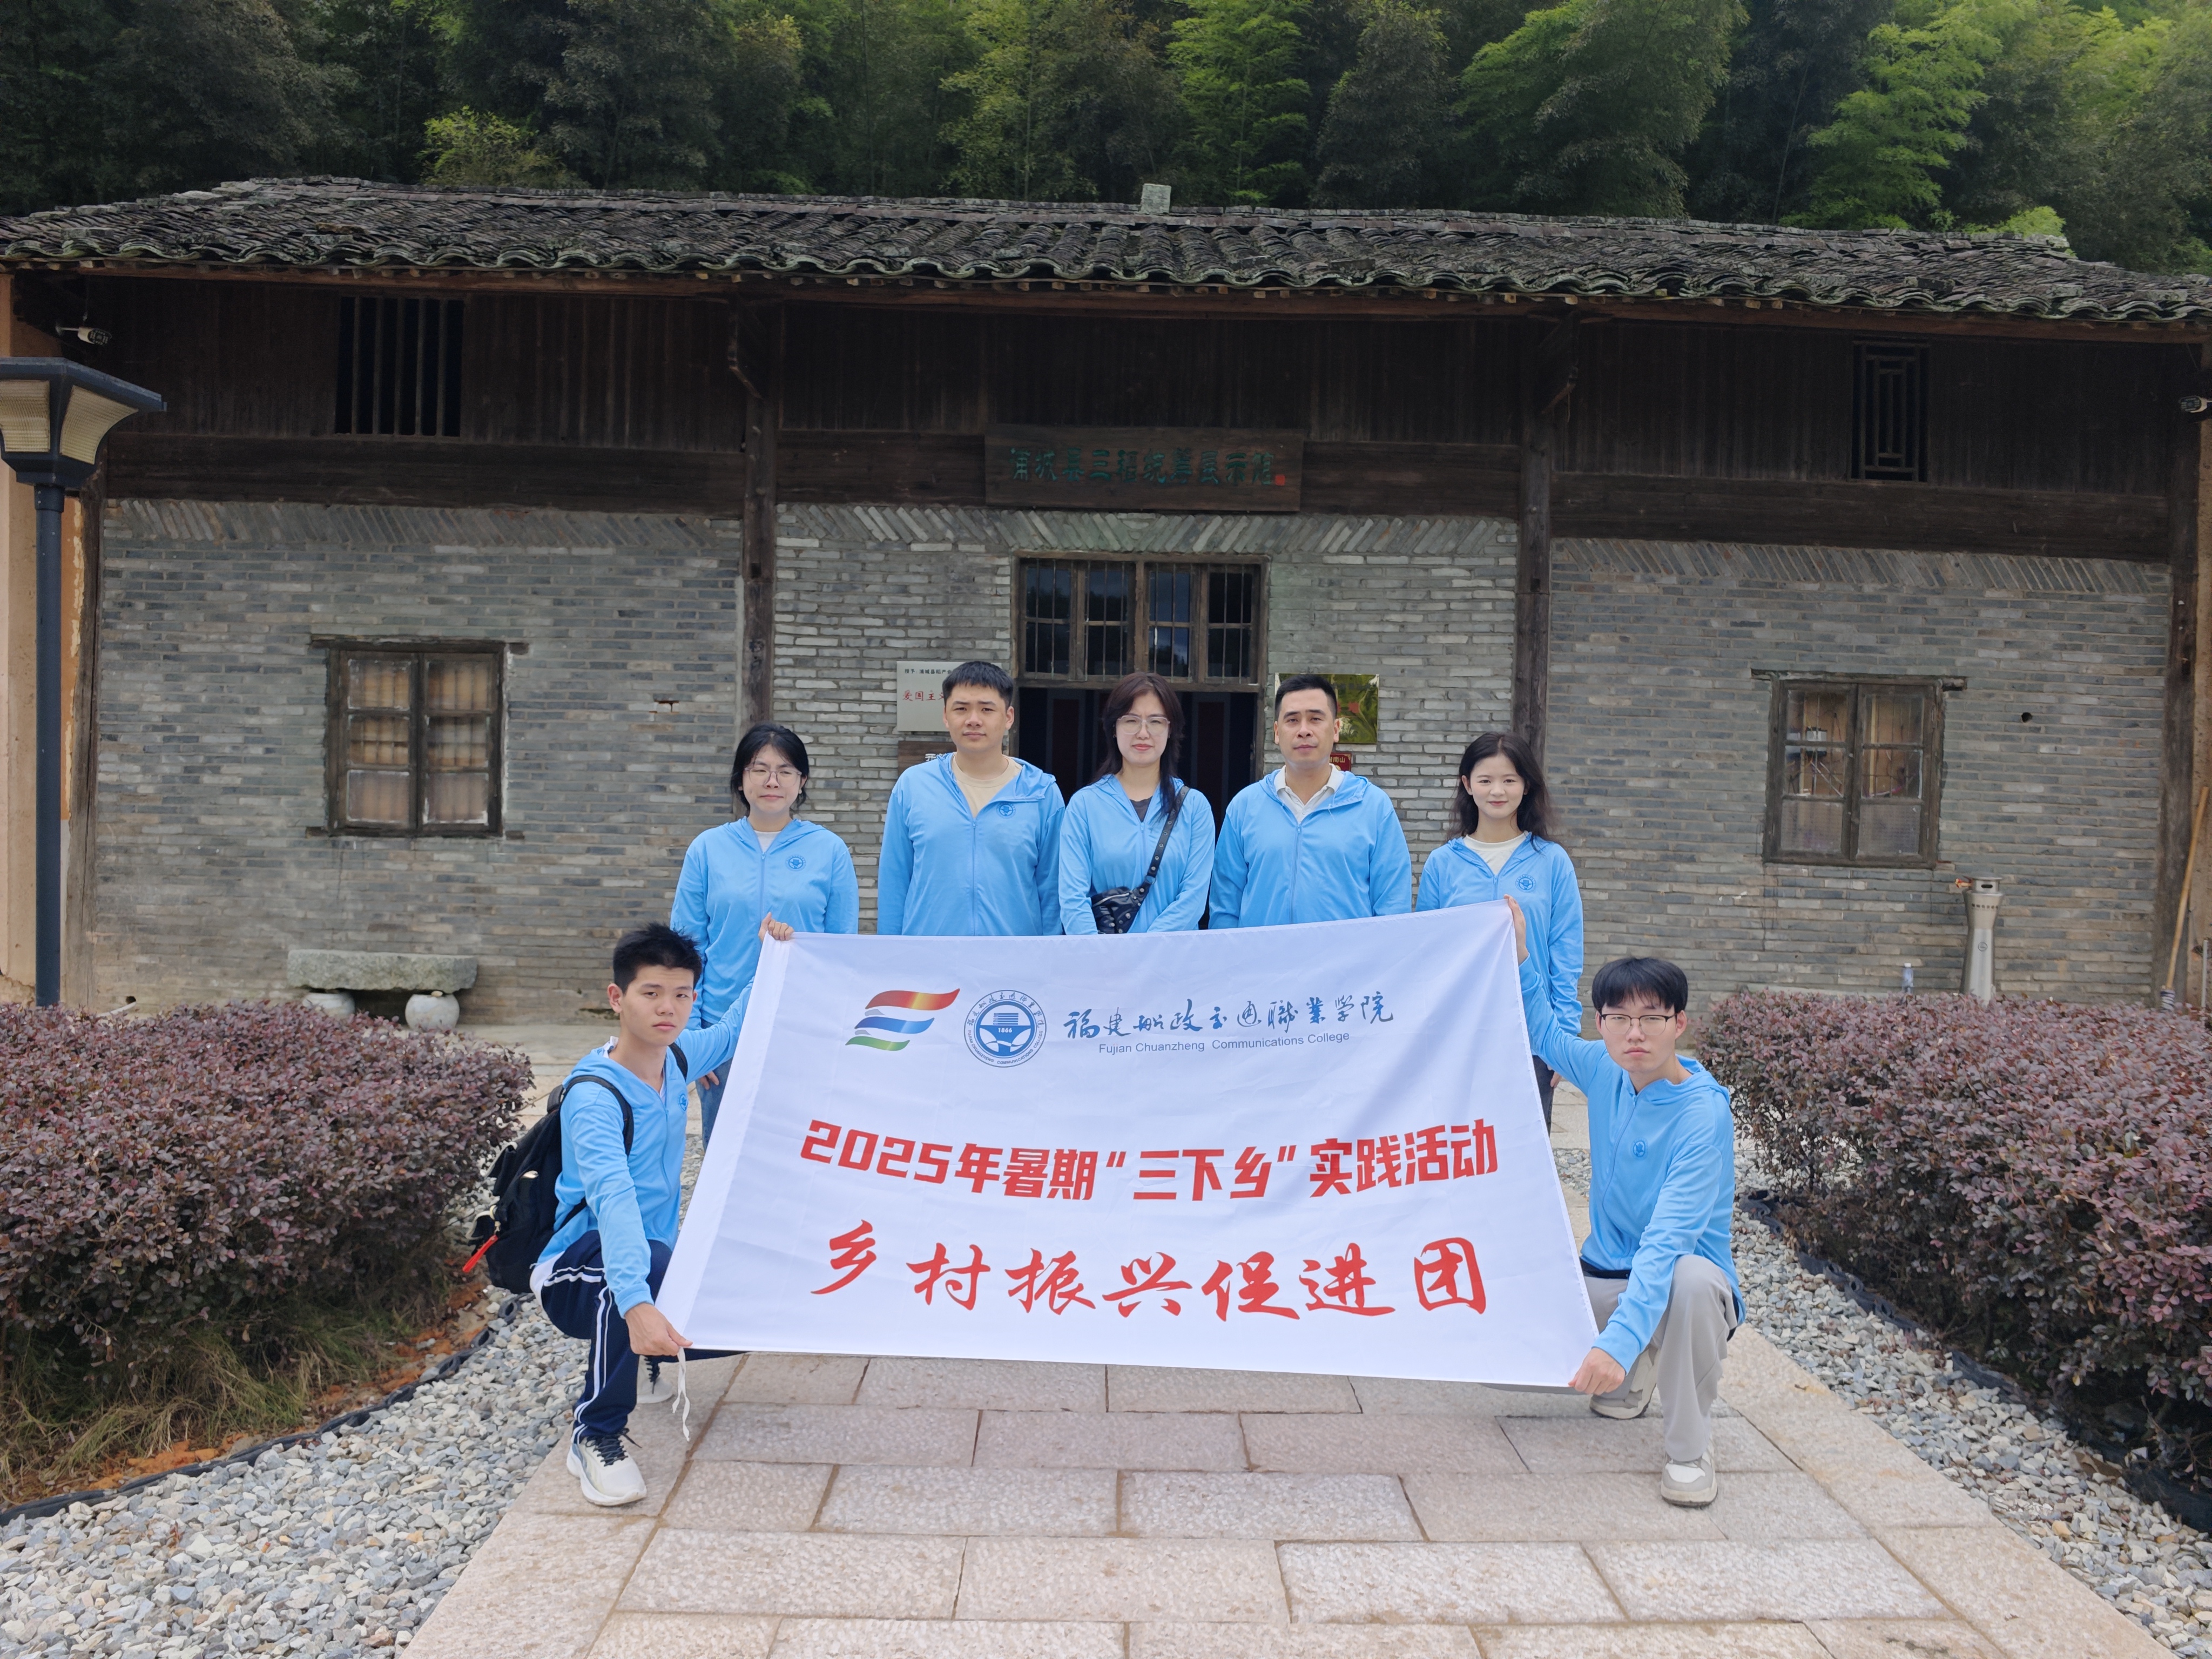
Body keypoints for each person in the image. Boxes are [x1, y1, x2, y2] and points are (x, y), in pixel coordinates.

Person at [534, 918, 791, 1507]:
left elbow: (734, 1030)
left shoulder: (675, 1058)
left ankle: (640, 1351)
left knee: (755, 1310)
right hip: (573, 1270)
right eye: (651, 993)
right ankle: (594, 1433)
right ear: (617, 998)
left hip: (649, 1260)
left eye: (681, 995)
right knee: (638, 1268)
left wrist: (771, 958)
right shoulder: (595, 1096)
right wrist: (639, 1305)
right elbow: (615, 1202)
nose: (667, 1008)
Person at [1506, 898, 1741, 1509]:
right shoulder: (1603, 1068)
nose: (1635, 1034)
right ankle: (1635, 1366)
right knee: (1498, 1352)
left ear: (1679, 1024)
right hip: (1607, 1275)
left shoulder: (1702, 1114)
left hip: (1681, 1282)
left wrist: (1615, 1341)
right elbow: (1543, 1034)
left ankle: (1689, 1451)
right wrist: (1522, 954)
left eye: (1651, 1018)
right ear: (1602, 1023)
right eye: (1619, 1018)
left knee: (1689, 1282)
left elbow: (1668, 1241)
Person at [671, 721, 858, 1143]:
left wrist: (834, 1029)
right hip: (723, 1024)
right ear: (741, 779)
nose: (772, 781)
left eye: (785, 770)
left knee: (796, 1145)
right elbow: (685, 948)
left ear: (801, 781)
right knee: (726, 1146)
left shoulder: (829, 850)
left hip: (801, 1022)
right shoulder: (707, 849)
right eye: (759, 769)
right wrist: (694, 1038)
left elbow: (841, 951)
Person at [1418, 732, 1583, 1129]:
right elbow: (1426, 955)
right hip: (1459, 1033)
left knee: (1525, 1148)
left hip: (1532, 1033)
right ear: (1467, 784)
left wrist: (1563, 1036)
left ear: (1526, 786)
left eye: (1509, 780)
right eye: (1486, 780)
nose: (1497, 791)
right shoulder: (1442, 864)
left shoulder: (1552, 861)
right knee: (1459, 1147)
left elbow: (1565, 954)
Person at [1210, 673, 1412, 928]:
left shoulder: (1373, 806)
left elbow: (1392, 906)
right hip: (1263, 954)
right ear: (1277, 732)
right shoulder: (1245, 807)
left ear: (1336, 729)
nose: (1304, 730)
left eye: (1316, 719)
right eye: (1292, 720)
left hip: (1346, 955)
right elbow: (1225, 904)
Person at [878, 660, 1065, 935]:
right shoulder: (914, 786)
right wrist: (892, 952)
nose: (973, 720)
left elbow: (1052, 890)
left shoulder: (1040, 793)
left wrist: (1046, 955)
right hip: (929, 953)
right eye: (961, 709)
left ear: (1009, 717)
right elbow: (894, 881)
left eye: (987, 709)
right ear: (946, 716)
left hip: (1013, 955)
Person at [1058, 672, 1215, 934]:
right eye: (1131, 720)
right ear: (1113, 728)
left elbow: (1193, 899)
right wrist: (1098, 952)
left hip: (1174, 956)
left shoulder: (1195, 808)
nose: (1143, 733)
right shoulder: (1084, 806)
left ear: (1171, 730)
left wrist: (1145, 951)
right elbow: (1073, 899)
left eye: (1156, 722)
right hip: (1104, 957)